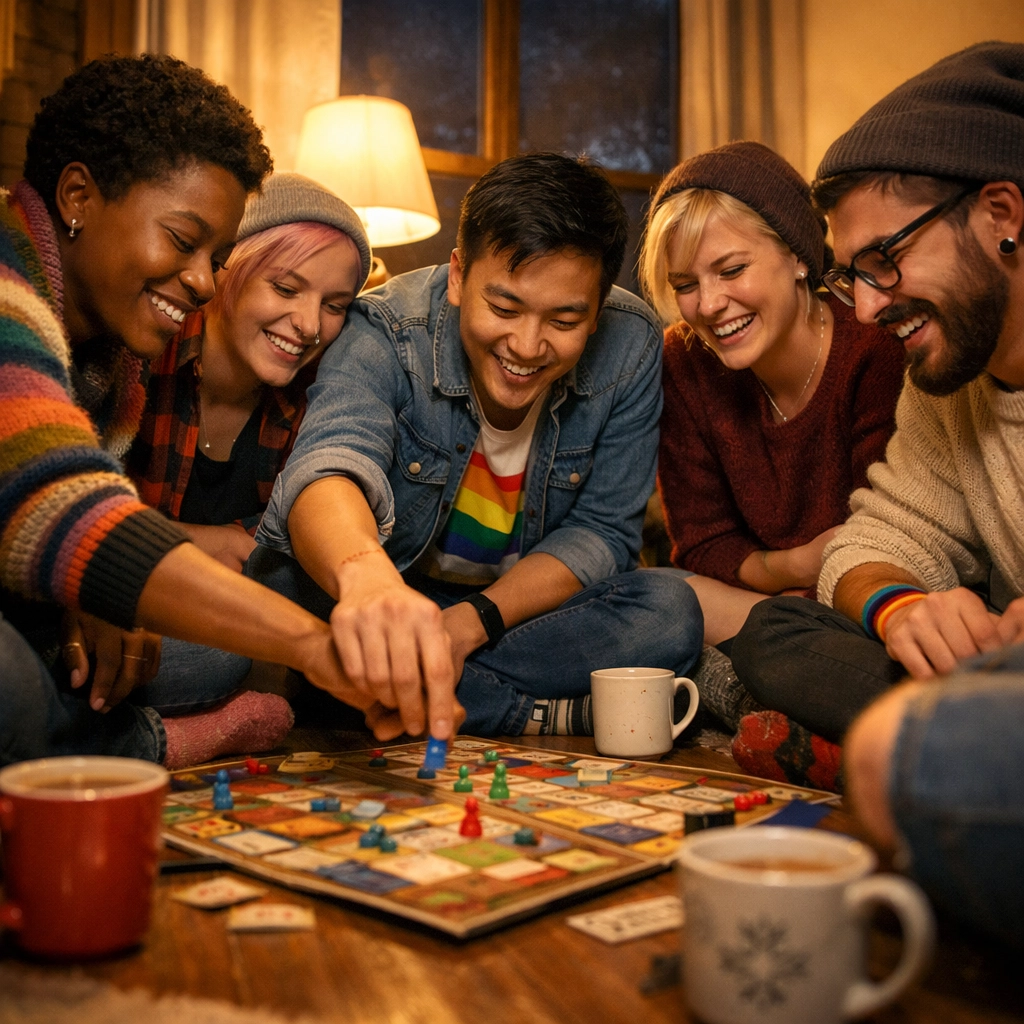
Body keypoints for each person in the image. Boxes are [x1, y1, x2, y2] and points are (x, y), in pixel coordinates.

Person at [0, 54, 456, 771]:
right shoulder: (13, 292)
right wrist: (314, 648)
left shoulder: (105, 354)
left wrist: (92, 584)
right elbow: (59, 509)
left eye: (214, 256)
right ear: (78, 196)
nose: (203, 282)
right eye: (185, 242)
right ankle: (149, 745)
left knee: (201, 655)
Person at [247, 152, 704, 737]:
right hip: (394, 593)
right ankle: (528, 714)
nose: (527, 346)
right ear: (459, 275)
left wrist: (467, 625)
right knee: (283, 587)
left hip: (515, 615)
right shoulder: (386, 330)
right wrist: (369, 583)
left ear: (596, 311)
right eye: (504, 308)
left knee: (669, 613)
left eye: (564, 322)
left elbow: (602, 532)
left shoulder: (630, 342)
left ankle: (371, 695)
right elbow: (329, 465)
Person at [732, 41, 1024, 811]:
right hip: (996, 685)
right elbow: (870, 543)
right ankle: (948, 757)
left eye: (885, 258)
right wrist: (906, 613)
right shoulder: (948, 382)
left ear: (1002, 215)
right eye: (851, 275)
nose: (865, 308)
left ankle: (907, 760)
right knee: (775, 632)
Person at [639, 143, 903, 681]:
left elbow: (884, 542)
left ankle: (766, 673)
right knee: (655, 593)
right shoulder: (683, 361)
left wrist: (792, 595)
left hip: (866, 601)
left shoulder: (875, 348)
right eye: (685, 285)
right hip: (761, 605)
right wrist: (791, 566)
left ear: (799, 256)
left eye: (732, 269)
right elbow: (701, 544)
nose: (708, 305)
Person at [125, 174, 370, 702]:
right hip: (115, 593)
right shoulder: (146, 348)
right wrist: (189, 540)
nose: (309, 324)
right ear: (228, 270)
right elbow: (73, 512)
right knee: (218, 659)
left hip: (225, 613)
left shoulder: (322, 388)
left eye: (334, 305)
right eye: (285, 288)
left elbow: (281, 551)